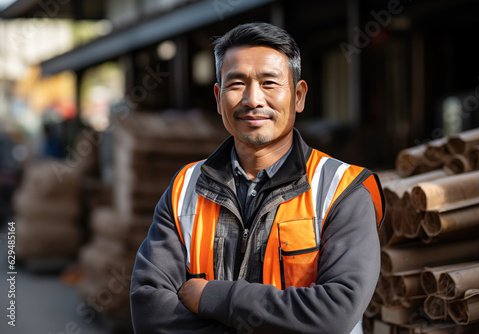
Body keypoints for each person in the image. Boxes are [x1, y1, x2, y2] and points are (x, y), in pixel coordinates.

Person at [130, 22, 385, 334]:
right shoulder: (185, 187)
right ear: (218, 97)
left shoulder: (343, 191)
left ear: (299, 96)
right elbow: (150, 312)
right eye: (236, 84)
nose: (252, 99)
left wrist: (212, 297)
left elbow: (334, 314)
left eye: (269, 83)